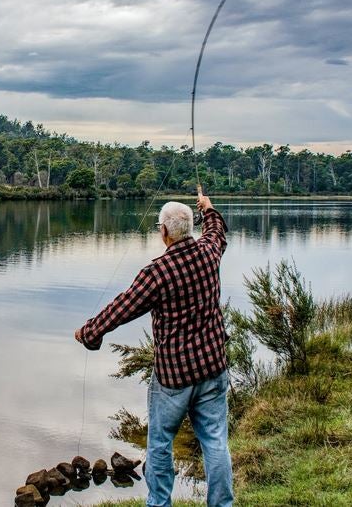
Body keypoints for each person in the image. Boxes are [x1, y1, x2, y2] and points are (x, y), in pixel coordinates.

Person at [75, 191, 233, 507]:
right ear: (189, 229)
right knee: (216, 444)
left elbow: (123, 307)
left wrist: (90, 333)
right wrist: (209, 209)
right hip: (214, 367)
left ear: (163, 232)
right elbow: (217, 232)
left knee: (160, 444)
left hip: (174, 377)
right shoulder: (209, 252)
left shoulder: (157, 272)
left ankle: (159, 504)